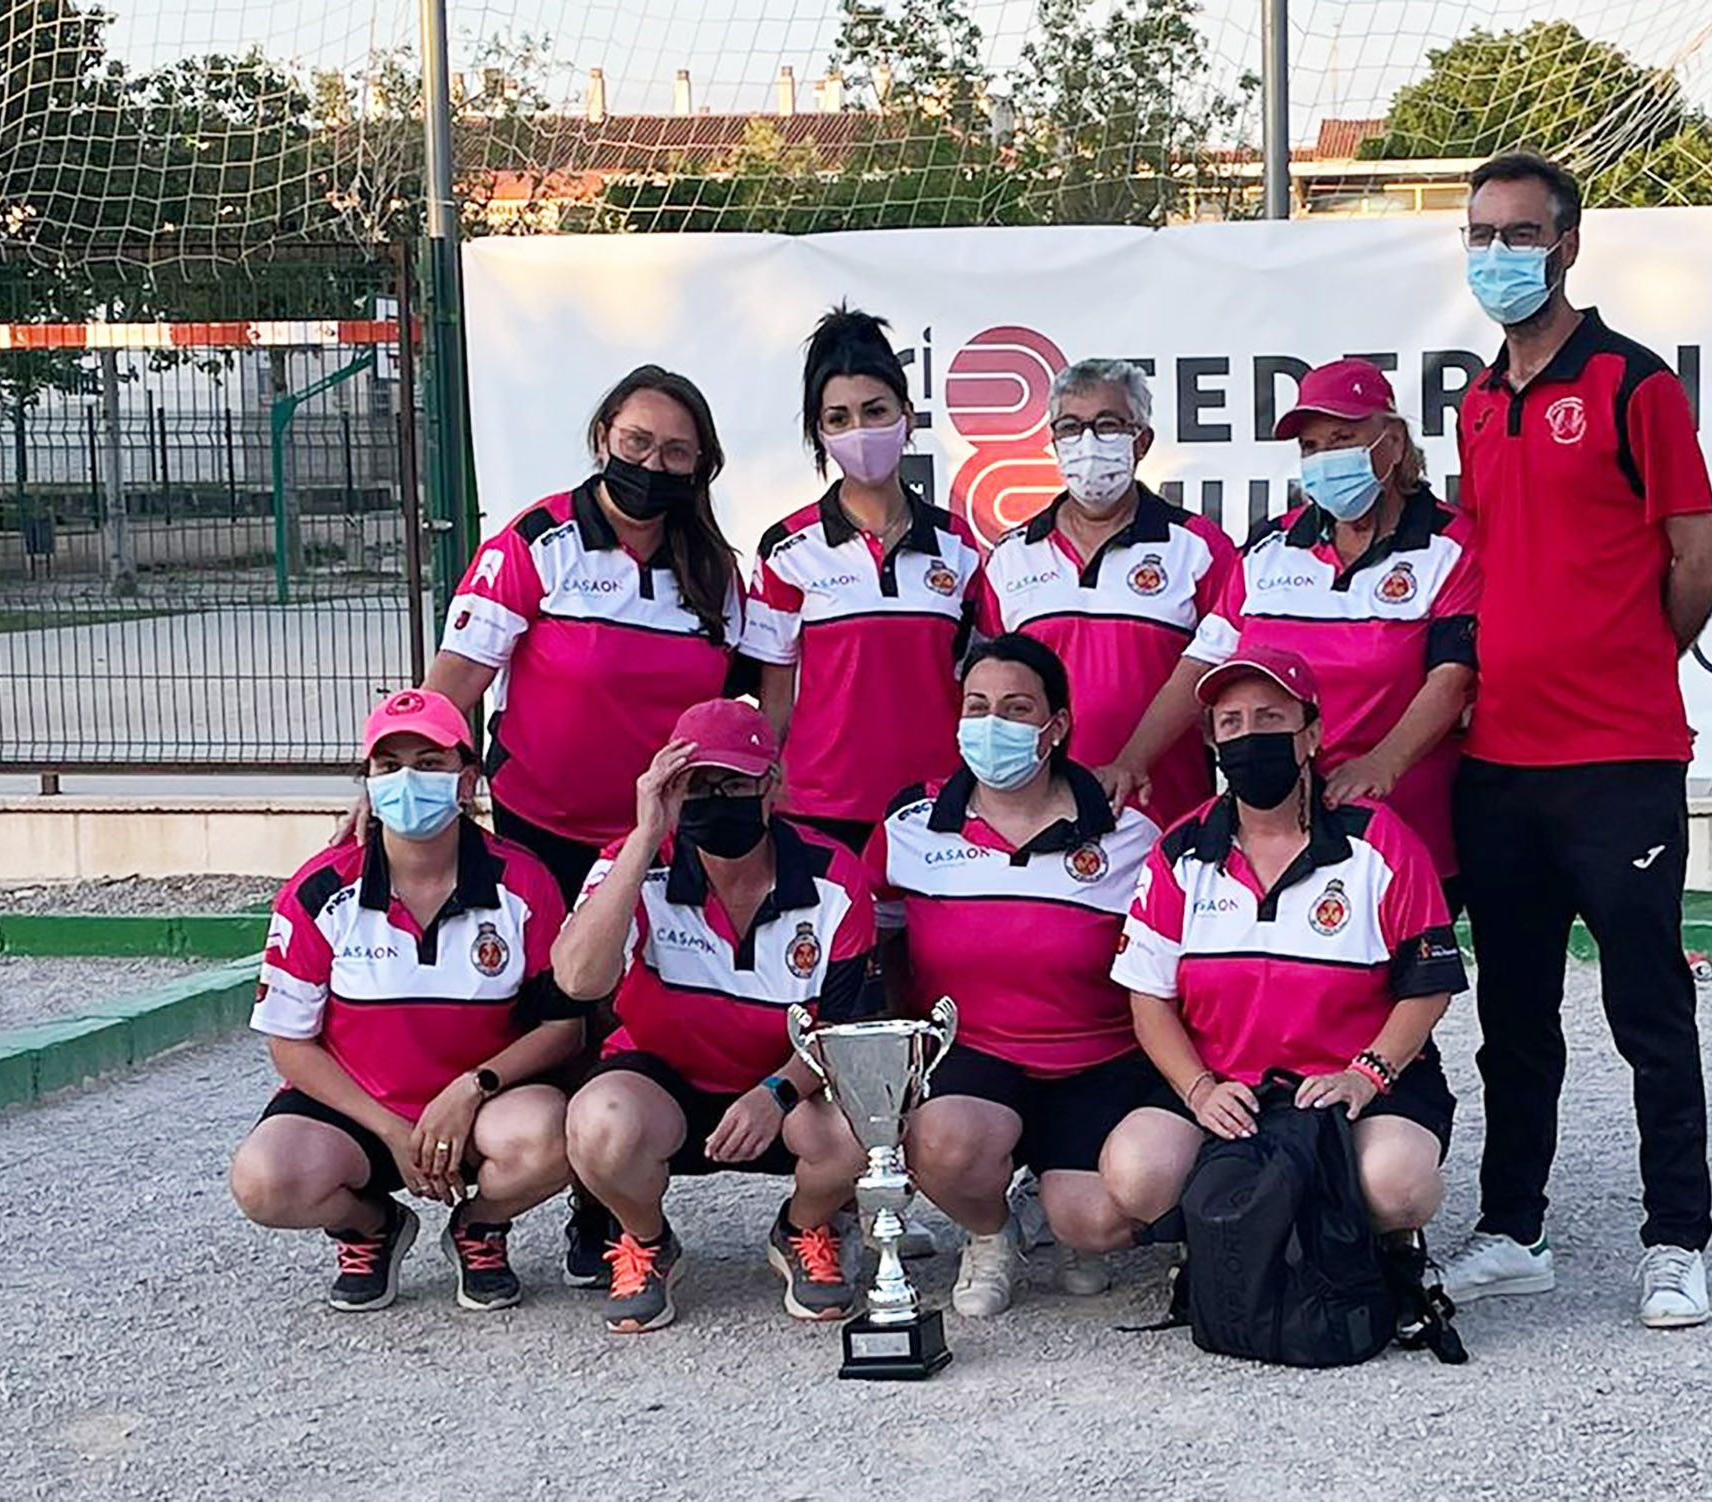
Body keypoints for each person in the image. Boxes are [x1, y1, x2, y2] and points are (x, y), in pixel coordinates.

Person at [1438, 151, 1712, 1329]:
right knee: (1511, 1015)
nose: (1493, 253)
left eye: (1516, 233)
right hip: (1494, 763)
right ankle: (1514, 1226)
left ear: (1564, 246)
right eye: (1477, 234)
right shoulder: (1471, 397)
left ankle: (1677, 1239)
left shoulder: (1631, 385)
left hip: (1616, 763)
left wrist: (1622, 660)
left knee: (1646, 1009)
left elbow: (1699, 560)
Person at [429, 363, 746, 1283]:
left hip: (663, 838)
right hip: (546, 832)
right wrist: (385, 786)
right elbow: (457, 677)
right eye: (639, 441)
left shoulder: (717, 575)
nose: (654, 462)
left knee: (629, 1021)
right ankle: (527, 1195)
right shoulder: (537, 541)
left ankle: (604, 1207)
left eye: (677, 451)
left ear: (701, 466)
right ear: (604, 434)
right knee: (562, 1013)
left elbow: (745, 707)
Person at [1098, 644, 1468, 1297]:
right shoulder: (1178, 852)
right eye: (1231, 723)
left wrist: (1366, 1074)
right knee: (1134, 1173)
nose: (1250, 736)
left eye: (1271, 719)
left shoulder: (1377, 841)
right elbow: (1147, 999)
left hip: (1350, 1081)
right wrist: (1198, 1090)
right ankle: (1229, 1243)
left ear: (1313, 733)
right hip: (1226, 1082)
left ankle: (1381, 1241)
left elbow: (1428, 983)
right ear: (1211, 739)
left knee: (1399, 1185)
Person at [229, 689, 581, 1313]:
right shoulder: (318, 889)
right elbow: (288, 1041)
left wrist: (470, 1089)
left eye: (429, 763)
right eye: (388, 767)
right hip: (362, 1112)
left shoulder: (523, 883)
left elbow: (564, 1029)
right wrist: (392, 1129)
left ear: (467, 779)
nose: (407, 781)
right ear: (367, 783)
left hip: (480, 1105)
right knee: (263, 1181)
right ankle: (371, 1227)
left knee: (556, 1135)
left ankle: (480, 1226)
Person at [550, 698, 876, 1335]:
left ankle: (804, 1229)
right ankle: (646, 1242)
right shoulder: (635, 862)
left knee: (867, 1125)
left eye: (733, 782)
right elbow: (577, 979)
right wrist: (645, 838)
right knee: (596, 1122)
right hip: (663, 1083)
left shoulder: (835, 876)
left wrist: (778, 1091)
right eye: (695, 784)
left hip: (786, 1088)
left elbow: (844, 1030)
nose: (714, 797)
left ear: (772, 784)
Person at [865, 633, 1165, 1317]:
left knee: (1093, 1221)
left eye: (1016, 708)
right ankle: (989, 1232)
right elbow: (876, 949)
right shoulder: (911, 824)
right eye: (977, 706)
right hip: (974, 1053)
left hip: (1100, 1057)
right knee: (941, 1142)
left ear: (1056, 727)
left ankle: (1055, 1207)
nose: (991, 724)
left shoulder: (1131, 836)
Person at [1135, 357, 1481, 894]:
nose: (1324, 459)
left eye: (1343, 438)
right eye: (1311, 448)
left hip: (1404, 833)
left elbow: (1453, 676)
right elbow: (1201, 664)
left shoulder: (1450, 542)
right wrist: (1132, 761)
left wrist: (1381, 765)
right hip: (1273, 828)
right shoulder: (1269, 547)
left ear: (1391, 441)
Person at [744, 306, 983, 852]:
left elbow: (974, 684)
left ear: (908, 417)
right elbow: (775, 702)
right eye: (839, 418)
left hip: (937, 806)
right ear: (819, 433)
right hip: (817, 811)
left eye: (875, 411)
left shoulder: (960, 544)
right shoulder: (786, 548)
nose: (860, 431)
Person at [977, 359, 1239, 828]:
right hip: (1040, 825)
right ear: (1054, 444)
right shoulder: (1011, 556)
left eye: (1108, 425)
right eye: (1071, 427)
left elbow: (1230, 674)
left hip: (1168, 820)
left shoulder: (1198, 547)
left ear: (1142, 441)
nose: (1088, 442)